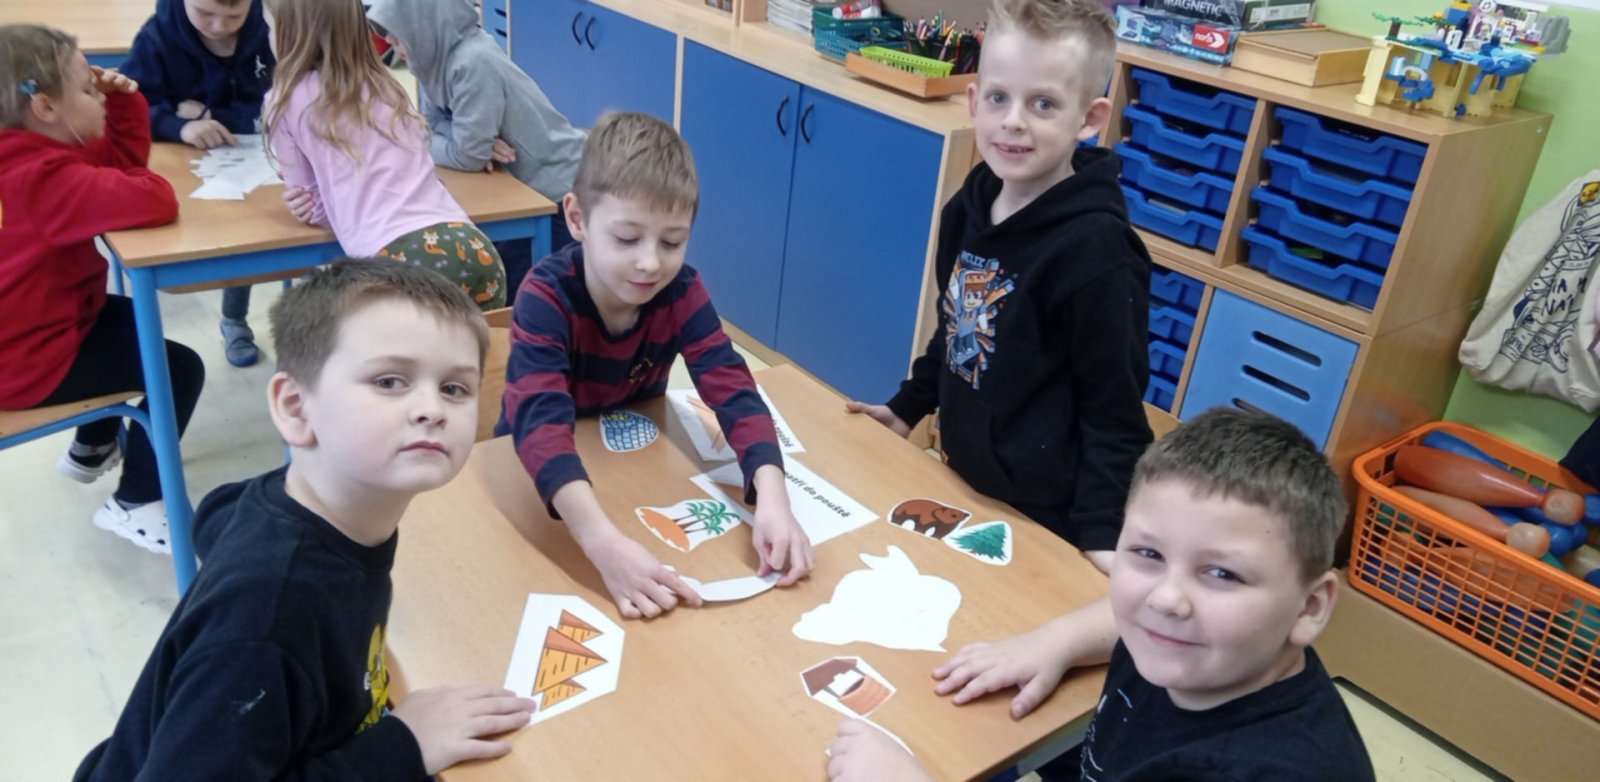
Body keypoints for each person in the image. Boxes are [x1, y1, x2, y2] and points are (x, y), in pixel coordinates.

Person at [74, 260, 536, 779]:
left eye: (454, 388)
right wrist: (401, 746)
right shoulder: (268, 615)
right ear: (295, 408)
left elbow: (218, 512)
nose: (433, 408)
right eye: (389, 381)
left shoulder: (301, 503)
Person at [826, 408, 1376, 782]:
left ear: (1310, 608)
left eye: (1221, 574)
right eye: (1148, 553)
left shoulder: (1269, 767)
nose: (1166, 600)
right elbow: (1124, 616)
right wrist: (1056, 639)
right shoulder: (1201, 649)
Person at [846, 0, 1152, 574]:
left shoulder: (1100, 254)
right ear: (973, 101)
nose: (1013, 121)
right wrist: (907, 407)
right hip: (962, 479)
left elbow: (1114, 411)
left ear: (1089, 119)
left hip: (1049, 517)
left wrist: (1101, 534)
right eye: (998, 98)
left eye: (1043, 104)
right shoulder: (967, 209)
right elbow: (957, 330)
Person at [500, 112, 814, 619]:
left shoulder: (682, 291)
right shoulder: (545, 296)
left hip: (633, 458)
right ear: (577, 219)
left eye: (671, 242)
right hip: (547, 476)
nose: (651, 263)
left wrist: (774, 496)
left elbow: (731, 387)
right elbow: (539, 422)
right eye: (627, 239)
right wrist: (601, 543)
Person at [0, 24, 201, 553]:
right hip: (27, 360)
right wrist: (132, 173)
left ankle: (92, 446)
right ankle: (136, 502)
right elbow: (154, 198)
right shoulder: (43, 179)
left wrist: (123, 106)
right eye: (89, 90)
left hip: (33, 327)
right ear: (45, 107)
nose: (100, 94)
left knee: (131, 326)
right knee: (178, 368)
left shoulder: (25, 156)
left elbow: (113, 170)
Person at [261, 0, 507, 309]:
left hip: (394, 259)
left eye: (270, 28)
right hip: (471, 246)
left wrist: (310, 208)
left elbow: (316, 207)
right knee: (482, 340)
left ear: (290, 35)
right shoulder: (386, 84)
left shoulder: (283, 100)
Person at [366, 0, 586, 290]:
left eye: (397, 37)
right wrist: (464, 139)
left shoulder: (472, 62)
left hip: (556, 194)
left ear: (422, 27)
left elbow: (467, 155)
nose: (393, 46)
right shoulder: (432, 58)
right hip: (519, 188)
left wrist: (459, 142)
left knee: (515, 289)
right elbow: (431, 125)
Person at [123, 0, 277, 366]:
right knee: (217, 229)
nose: (219, 26)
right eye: (205, 13)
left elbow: (280, 107)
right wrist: (178, 126)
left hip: (261, 158)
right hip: (184, 165)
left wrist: (210, 114)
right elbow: (129, 108)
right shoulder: (158, 37)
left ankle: (234, 318)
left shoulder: (271, 30)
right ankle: (233, 319)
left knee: (257, 228)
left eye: (234, 16)